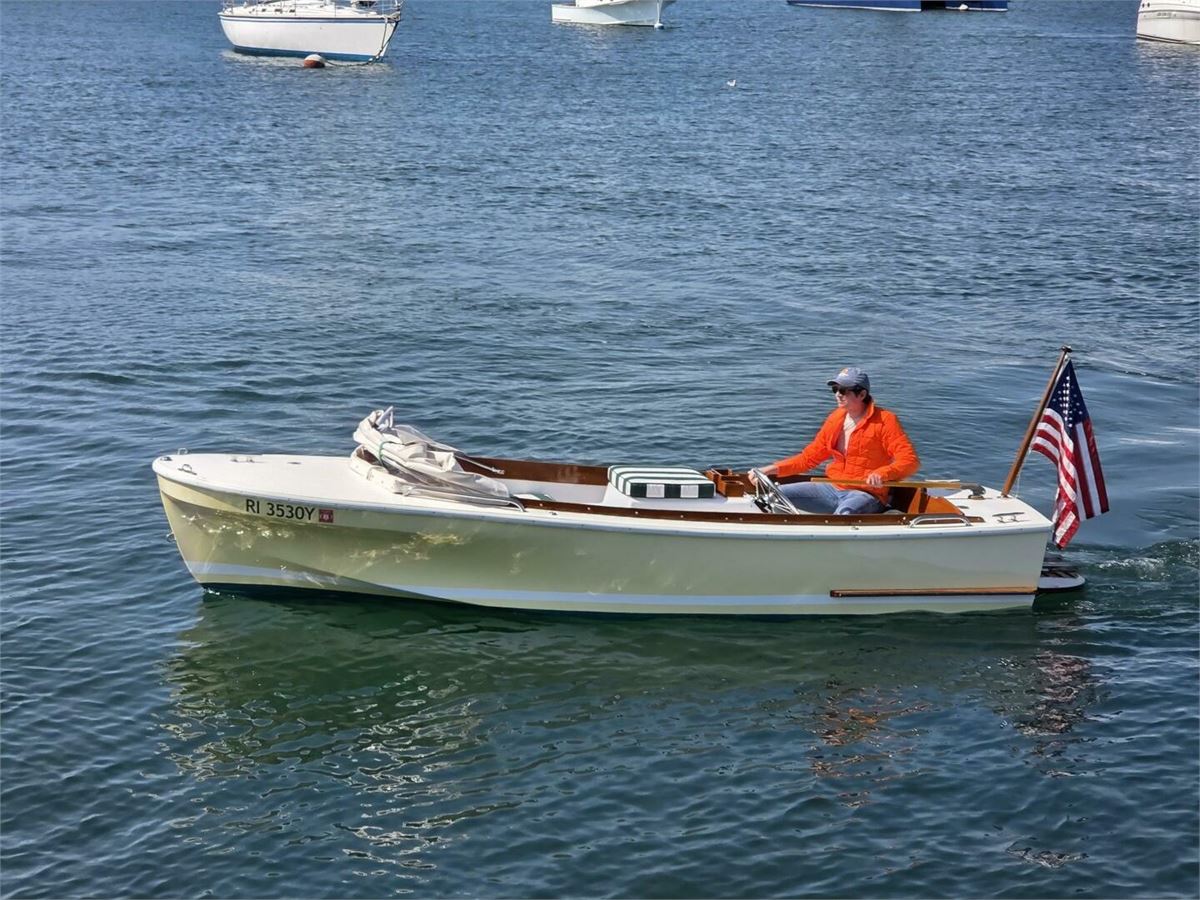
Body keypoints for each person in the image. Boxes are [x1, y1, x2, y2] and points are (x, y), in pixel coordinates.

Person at [752, 366, 919, 515]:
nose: (838, 394)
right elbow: (808, 458)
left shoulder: (885, 420)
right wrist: (771, 469)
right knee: (772, 497)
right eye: (835, 389)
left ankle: (883, 512)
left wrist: (882, 474)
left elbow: (910, 461)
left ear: (862, 394)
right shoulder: (835, 418)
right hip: (832, 488)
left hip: (866, 494)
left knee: (844, 514)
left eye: (844, 390)